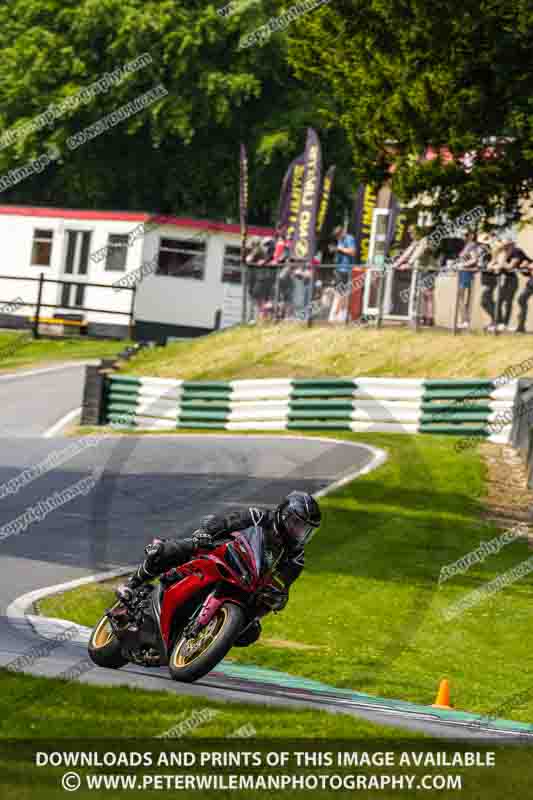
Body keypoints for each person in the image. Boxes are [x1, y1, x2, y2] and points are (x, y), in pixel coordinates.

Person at [116, 491, 322, 647]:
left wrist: (277, 598)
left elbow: (283, 584)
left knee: (251, 632)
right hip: (225, 554)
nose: (299, 532)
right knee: (165, 550)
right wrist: (205, 533)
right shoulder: (259, 516)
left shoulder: (297, 557)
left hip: (249, 584)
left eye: (305, 530)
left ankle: (207, 639)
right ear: (284, 514)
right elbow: (227, 522)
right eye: (296, 524)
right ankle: (132, 584)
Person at [455, 231, 479, 330]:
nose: (463, 236)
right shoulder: (466, 245)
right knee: (461, 296)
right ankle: (464, 320)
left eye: (466, 235)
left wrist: (463, 265)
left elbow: (474, 259)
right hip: (462, 272)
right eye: (463, 234)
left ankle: (465, 320)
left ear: (471, 236)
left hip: (467, 273)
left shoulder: (471, 245)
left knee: (462, 296)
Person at [510, 244, 533, 333]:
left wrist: (528, 267)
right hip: (531, 283)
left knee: (522, 299)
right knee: (521, 299)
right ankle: (521, 326)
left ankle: (521, 326)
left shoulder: (518, 254)